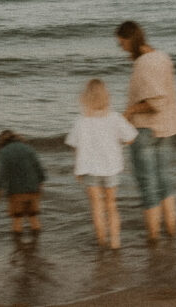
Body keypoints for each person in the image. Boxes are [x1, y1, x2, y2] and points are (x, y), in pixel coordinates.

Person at [115, 20, 176, 240]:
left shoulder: (144, 63)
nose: (121, 48)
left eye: (121, 43)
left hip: (146, 129)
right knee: (163, 179)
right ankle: (171, 230)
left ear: (129, 39)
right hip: (166, 127)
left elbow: (155, 101)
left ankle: (154, 236)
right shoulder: (162, 57)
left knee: (147, 184)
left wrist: (130, 110)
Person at [65, 78, 139, 249]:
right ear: (106, 96)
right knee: (112, 205)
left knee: (97, 207)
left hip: (90, 170)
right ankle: (115, 242)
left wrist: (77, 170)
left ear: (85, 98)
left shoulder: (81, 121)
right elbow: (131, 137)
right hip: (111, 169)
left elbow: (75, 147)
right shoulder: (115, 118)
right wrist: (118, 144)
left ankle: (102, 241)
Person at [0, 130, 47, 235]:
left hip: (16, 191)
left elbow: (2, 173)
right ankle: (36, 243)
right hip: (33, 189)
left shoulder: (3, 152)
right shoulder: (28, 149)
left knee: (17, 219)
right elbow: (39, 168)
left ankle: (18, 246)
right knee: (33, 217)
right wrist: (41, 183)